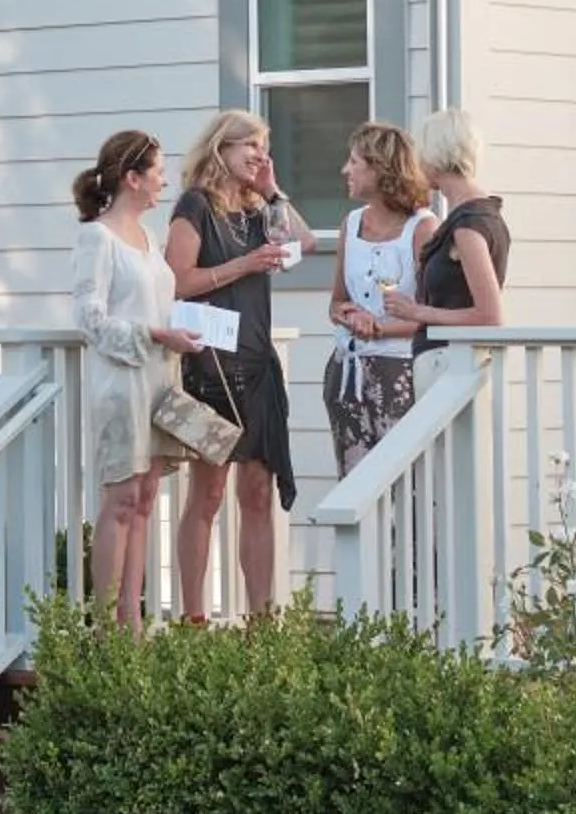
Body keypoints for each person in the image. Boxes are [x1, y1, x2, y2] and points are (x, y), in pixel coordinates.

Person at [166, 110, 310, 619]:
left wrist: (273, 191)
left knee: (258, 492)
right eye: (249, 144)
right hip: (212, 369)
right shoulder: (195, 206)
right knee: (208, 494)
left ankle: (261, 620)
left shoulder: (258, 210)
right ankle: (193, 615)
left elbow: (305, 244)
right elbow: (177, 281)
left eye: (264, 145)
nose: (258, 154)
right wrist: (244, 265)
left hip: (258, 366)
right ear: (220, 148)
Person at [72, 130, 204, 630]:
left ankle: (133, 617)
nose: (164, 183)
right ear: (132, 178)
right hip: (121, 382)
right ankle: (107, 625)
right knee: (121, 498)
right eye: (158, 173)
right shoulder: (97, 237)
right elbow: (90, 317)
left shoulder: (151, 240)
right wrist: (152, 333)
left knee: (147, 499)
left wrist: (180, 335)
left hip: (159, 379)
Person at [324, 122, 433, 475]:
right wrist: (349, 316)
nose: (345, 170)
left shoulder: (422, 228)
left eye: (354, 162)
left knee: (404, 480)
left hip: (400, 371)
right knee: (353, 479)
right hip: (348, 372)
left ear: (379, 167)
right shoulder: (351, 223)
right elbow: (336, 302)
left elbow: (431, 315)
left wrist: (380, 329)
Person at [383, 109, 510, 353]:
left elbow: (490, 316)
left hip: (451, 362)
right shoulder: (481, 215)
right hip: (453, 359)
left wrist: (416, 311)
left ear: (434, 155)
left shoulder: (467, 225)